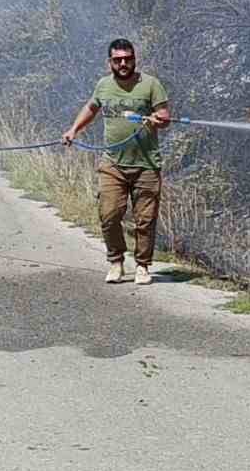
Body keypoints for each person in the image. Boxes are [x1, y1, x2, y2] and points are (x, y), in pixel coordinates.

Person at [62, 38, 171, 286]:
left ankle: (143, 266)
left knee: (145, 220)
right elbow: (91, 108)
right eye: (117, 59)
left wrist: (158, 120)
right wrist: (73, 130)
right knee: (109, 214)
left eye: (128, 58)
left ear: (134, 59)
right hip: (113, 163)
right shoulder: (103, 85)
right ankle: (116, 261)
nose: (123, 63)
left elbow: (165, 117)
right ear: (110, 62)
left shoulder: (151, 85)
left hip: (146, 165)